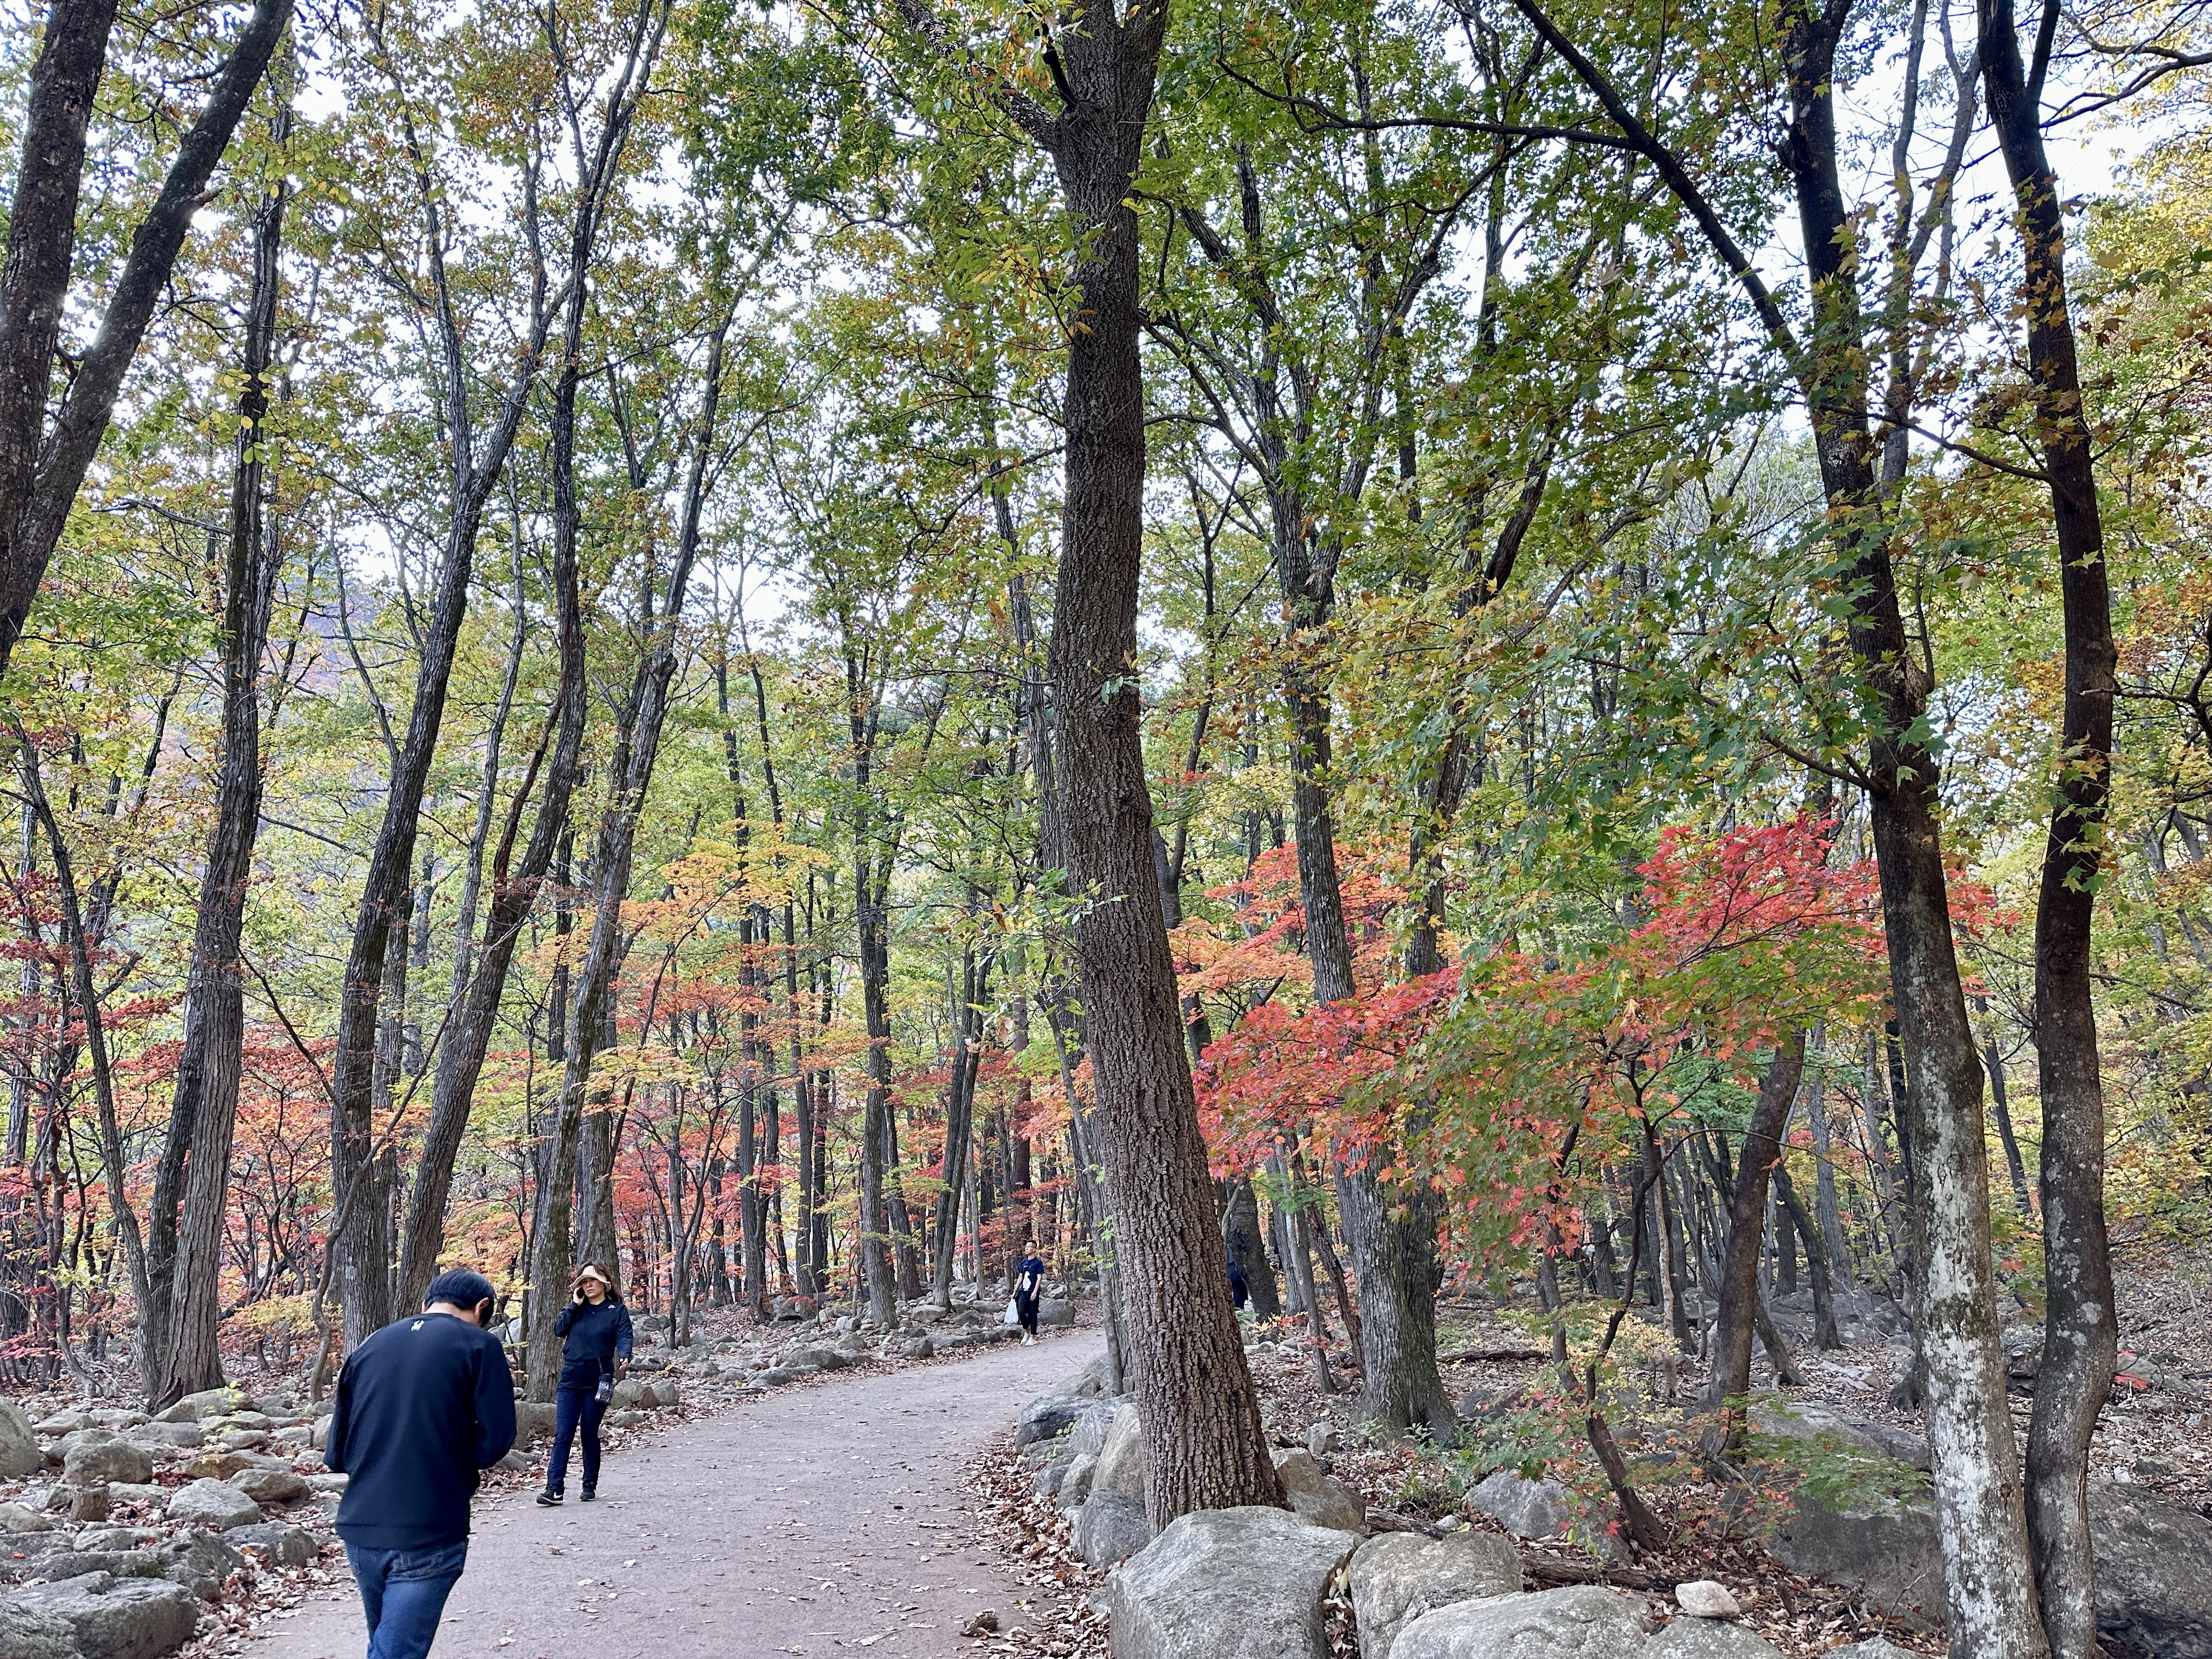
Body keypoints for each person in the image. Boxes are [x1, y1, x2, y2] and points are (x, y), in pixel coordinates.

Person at [323, 1267, 516, 1659]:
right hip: (430, 1523)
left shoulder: (372, 1344)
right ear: (482, 1307)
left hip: (361, 1523)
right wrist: (453, 1460)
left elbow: (337, 1449)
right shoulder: (479, 1346)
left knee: (385, 1645)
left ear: (426, 1304)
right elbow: (496, 1440)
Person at [538, 1262, 632, 1505]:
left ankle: (589, 1484)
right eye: (583, 1282)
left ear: (604, 1283)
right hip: (571, 1379)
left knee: (589, 1432)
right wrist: (574, 1305)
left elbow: (624, 1335)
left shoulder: (616, 1310)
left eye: (591, 1280)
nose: (587, 1285)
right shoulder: (575, 1310)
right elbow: (559, 1330)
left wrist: (625, 1353)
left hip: (599, 1380)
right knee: (563, 1434)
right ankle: (554, 1489)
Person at [1013, 1238, 1046, 1345]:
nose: (1026, 1249)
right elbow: (1021, 1277)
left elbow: (1039, 1278)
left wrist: (1035, 1292)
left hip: (1033, 1291)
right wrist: (1015, 1291)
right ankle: (1027, 1332)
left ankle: (1033, 1337)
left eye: (1029, 1247)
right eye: (1026, 1247)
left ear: (1034, 1249)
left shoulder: (1038, 1262)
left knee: (1032, 1314)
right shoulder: (1024, 1262)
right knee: (1021, 1312)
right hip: (1023, 1291)